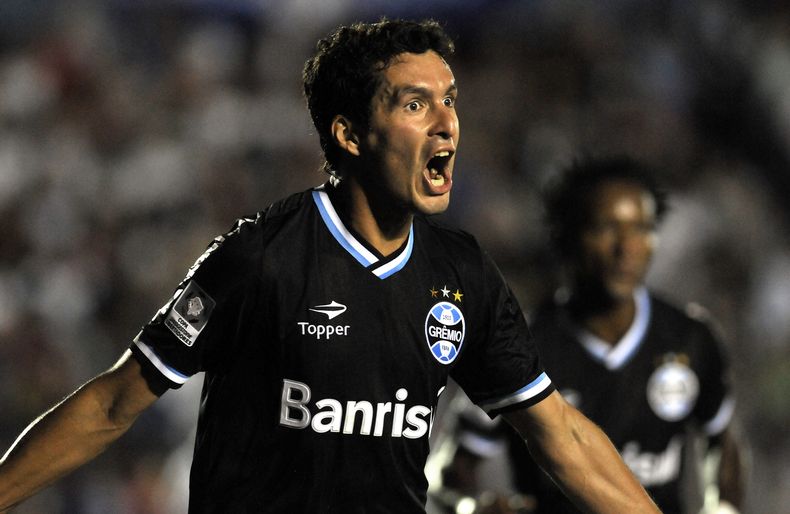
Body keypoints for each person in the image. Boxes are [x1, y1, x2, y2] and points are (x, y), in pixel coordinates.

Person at [0, 19, 660, 513]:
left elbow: (560, 435)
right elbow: (114, 404)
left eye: (450, 99)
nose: (448, 124)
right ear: (349, 134)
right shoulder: (263, 258)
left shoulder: (463, 275)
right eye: (414, 103)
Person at [436, 156, 745, 514]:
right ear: (565, 236)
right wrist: (475, 509)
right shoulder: (516, 347)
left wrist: (723, 508)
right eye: (604, 228)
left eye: (641, 229)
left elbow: (723, 444)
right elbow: (449, 475)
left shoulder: (690, 339)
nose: (626, 248)